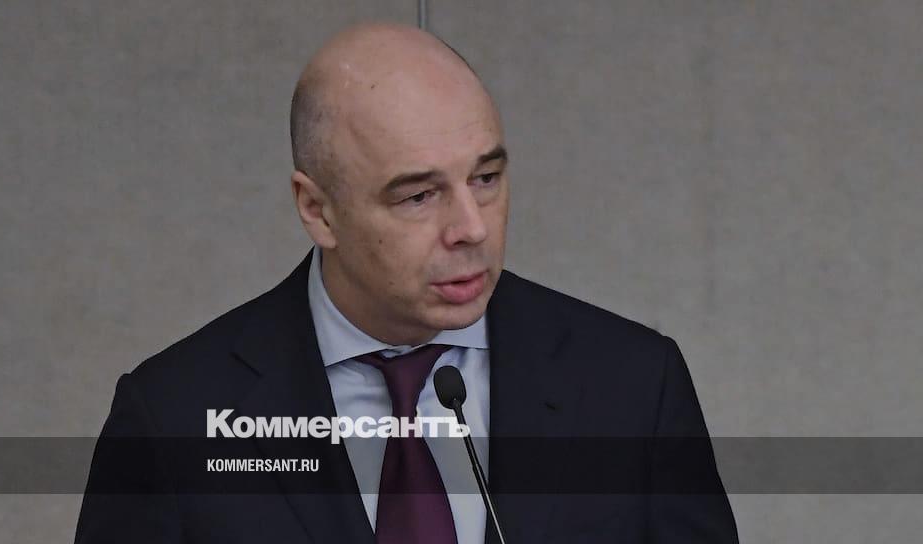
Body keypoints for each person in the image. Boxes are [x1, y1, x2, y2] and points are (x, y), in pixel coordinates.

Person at [75, 22, 738, 543]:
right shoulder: (174, 419)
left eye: (486, 178)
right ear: (318, 209)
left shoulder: (634, 386)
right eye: (419, 196)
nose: (471, 227)